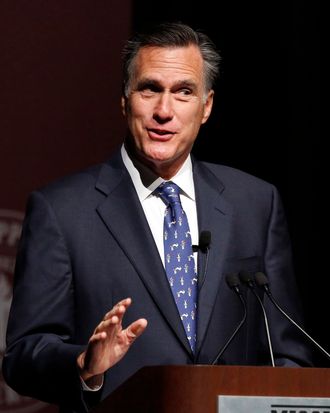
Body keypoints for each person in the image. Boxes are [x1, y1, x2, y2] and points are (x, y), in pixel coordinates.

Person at [3, 21, 313, 413]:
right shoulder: (63, 211)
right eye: (150, 89)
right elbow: (24, 356)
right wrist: (84, 363)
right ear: (124, 100)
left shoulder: (255, 203)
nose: (163, 111)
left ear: (207, 106)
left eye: (183, 92)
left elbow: (289, 352)